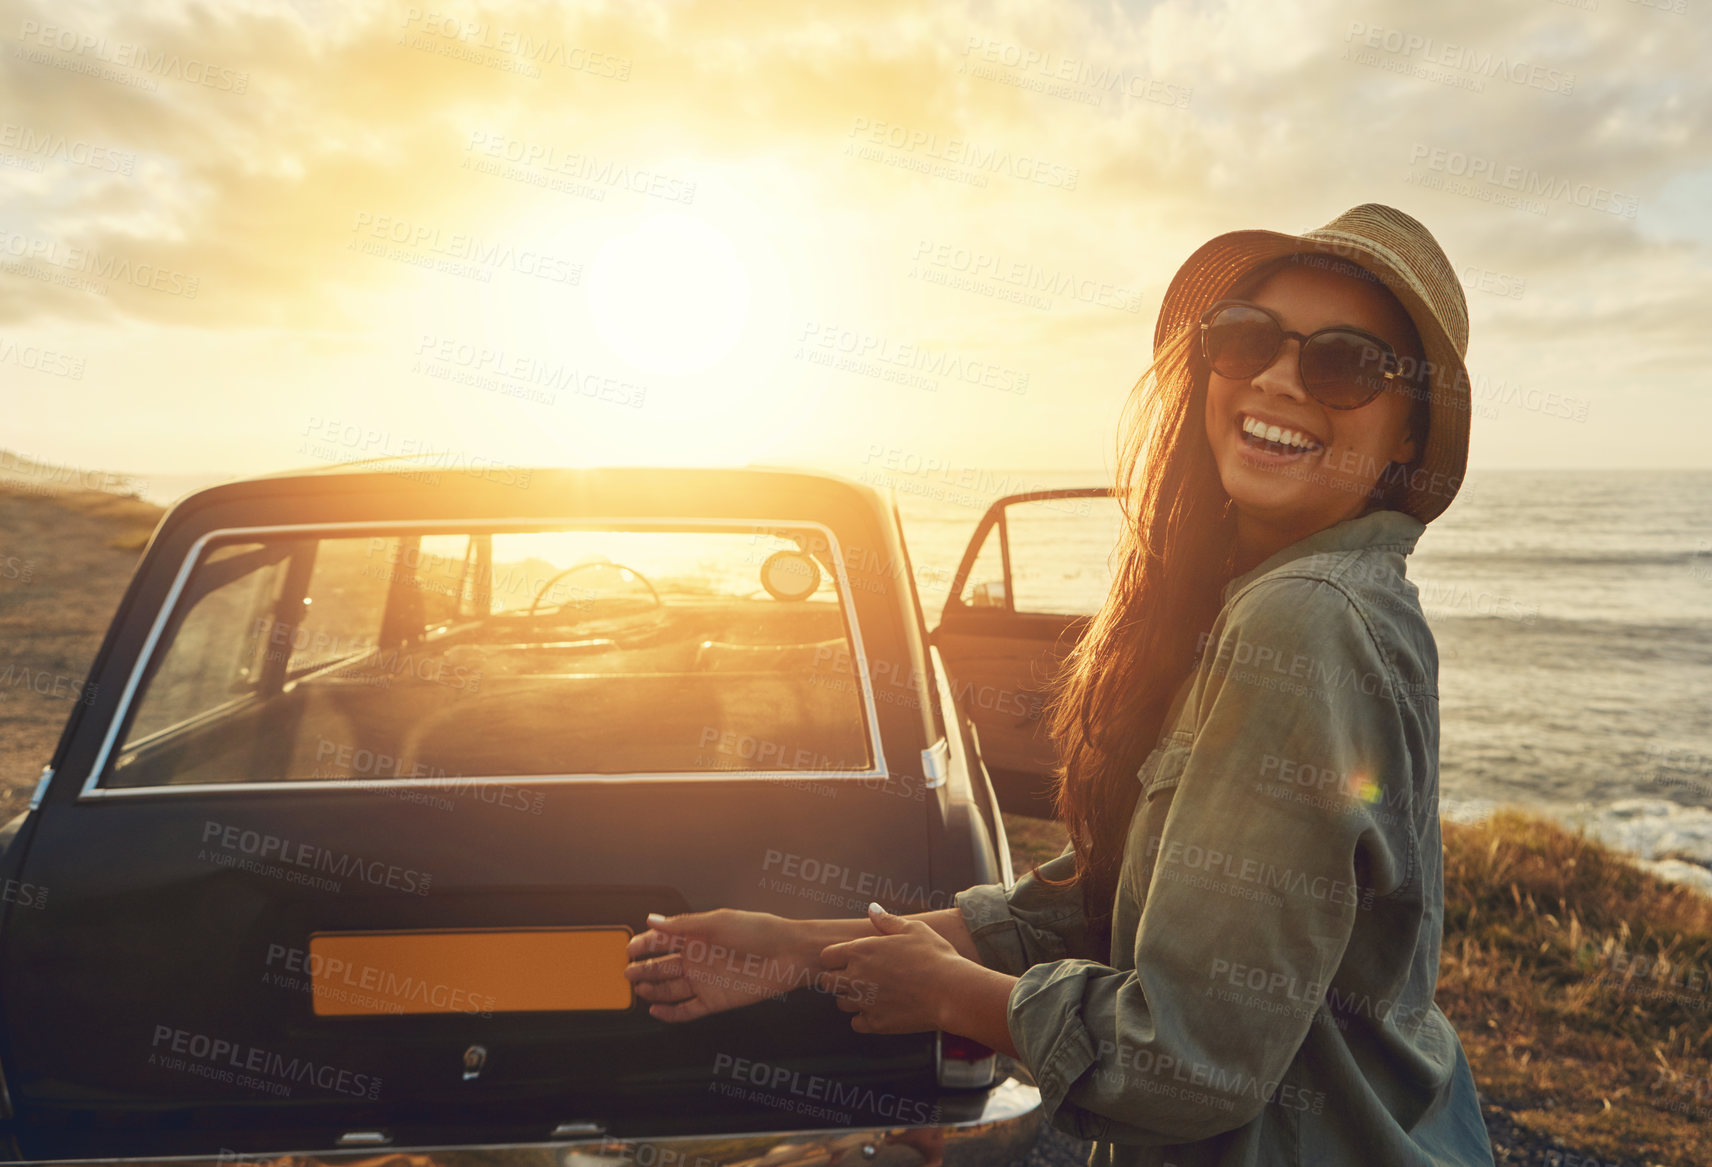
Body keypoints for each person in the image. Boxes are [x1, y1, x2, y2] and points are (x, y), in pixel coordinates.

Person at [624, 203, 1497, 1166]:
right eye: (1246, 339)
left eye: (1345, 363)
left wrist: (953, 993)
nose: (1280, 377)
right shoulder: (1304, 601)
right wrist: (794, 948)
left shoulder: (1302, 618)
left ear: (1412, 432)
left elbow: (1190, 1061)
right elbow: (1109, 900)